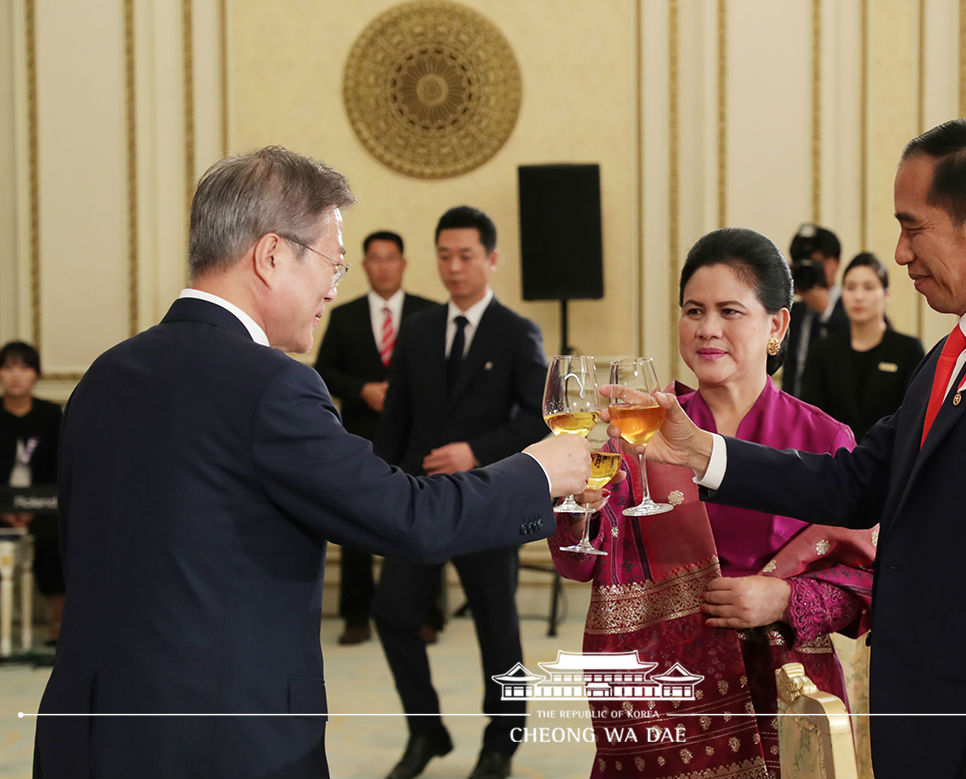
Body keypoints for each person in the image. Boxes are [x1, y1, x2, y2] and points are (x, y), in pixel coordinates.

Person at [32, 147, 589, 779]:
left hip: (84, 730)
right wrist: (541, 470)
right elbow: (410, 518)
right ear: (271, 255)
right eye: (333, 261)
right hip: (224, 743)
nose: (334, 285)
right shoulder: (271, 385)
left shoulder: (102, 376)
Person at [638, 118, 966, 779]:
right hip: (928, 720)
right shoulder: (954, 352)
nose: (899, 251)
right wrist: (702, 451)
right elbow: (855, 481)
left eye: (913, 226)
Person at [552, 227, 875, 779]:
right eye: (693, 310)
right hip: (660, 708)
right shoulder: (642, 426)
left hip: (782, 694)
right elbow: (579, 562)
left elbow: (867, 582)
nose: (707, 330)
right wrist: (574, 502)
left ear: (776, 325)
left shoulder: (823, 438)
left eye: (730, 312)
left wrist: (783, 598)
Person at [372, 205, 549, 779]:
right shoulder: (419, 330)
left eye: (466, 255)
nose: (453, 267)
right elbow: (396, 420)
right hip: (418, 501)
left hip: (488, 503)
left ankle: (502, 743)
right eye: (444, 255)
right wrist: (379, 490)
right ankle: (426, 732)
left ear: (492, 260)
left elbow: (539, 422)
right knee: (394, 615)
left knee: (498, 628)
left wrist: (476, 452)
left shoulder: (518, 332)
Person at [314, 229, 437, 645]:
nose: (383, 266)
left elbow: (448, 377)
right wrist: (362, 389)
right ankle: (356, 615)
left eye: (391, 258)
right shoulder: (344, 315)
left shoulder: (430, 313)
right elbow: (325, 371)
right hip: (359, 436)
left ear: (403, 263)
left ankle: (426, 613)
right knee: (355, 525)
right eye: (375, 259)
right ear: (364, 266)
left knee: (424, 520)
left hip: (418, 436)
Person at [801, 252, 925, 440]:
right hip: (835, 460)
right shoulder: (823, 351)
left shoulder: (908, 350)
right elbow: (812, 419)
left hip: (889, 462)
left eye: (868, 288)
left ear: (886, 294)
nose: (858, 296)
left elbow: (914, 419)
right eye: (850, 288)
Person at [0, 341, 65, 642]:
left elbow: (60, 467)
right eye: (8, 367)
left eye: (24, 367)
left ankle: (59, 620)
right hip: (2, 506)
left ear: (36, 375)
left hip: (43, 505)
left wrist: (33, 505)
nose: (15, 375)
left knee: (57, 536)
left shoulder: (51, 416)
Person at [780, 224, 847, 397]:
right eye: (803, 264)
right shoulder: (793, 311)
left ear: (836, 263)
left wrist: (827, 311)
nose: (809, 270)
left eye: (816, 263)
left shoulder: (854, 305)